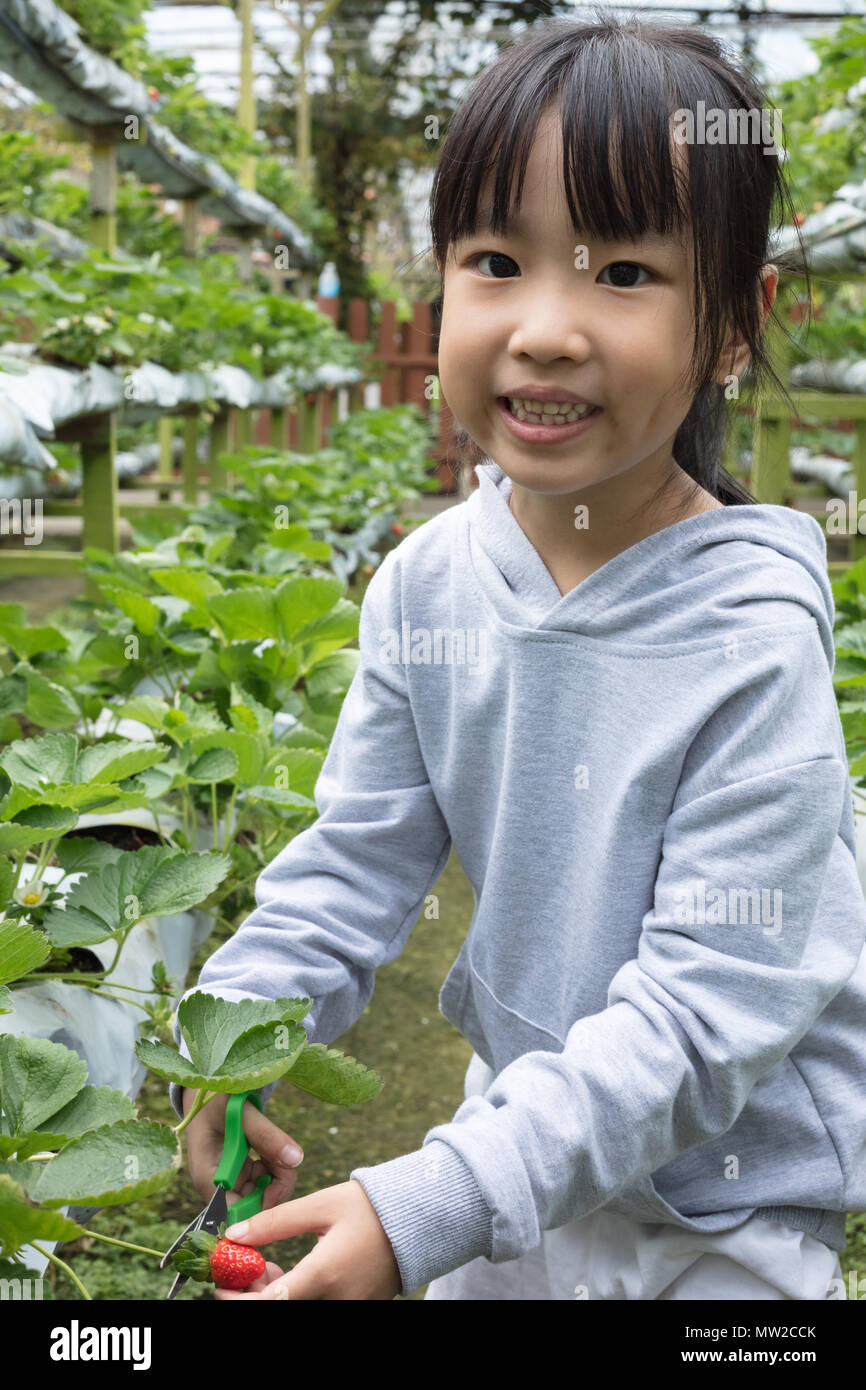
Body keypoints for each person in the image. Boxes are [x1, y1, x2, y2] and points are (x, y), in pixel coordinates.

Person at [171, 12, 866, 1300]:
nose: (545, 327)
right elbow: (354, 861)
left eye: (623, 275)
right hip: (524, 1121)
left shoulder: (749, 642)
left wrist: (431, 1197)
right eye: (497, 260)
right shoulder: (428, 583)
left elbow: (707, 1016)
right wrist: (241, 1030)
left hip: (726, 1203)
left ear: (733, 322)